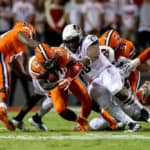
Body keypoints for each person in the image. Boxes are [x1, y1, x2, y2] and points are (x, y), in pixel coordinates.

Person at [62, 24, 142, 132]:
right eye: (68, 41)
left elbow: (135, 71)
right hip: (98, 84)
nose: (71, 44)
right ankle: (126, 122)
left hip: (112, 81)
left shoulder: (119, 58)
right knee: (98, 119)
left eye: (73, 40)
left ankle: (136, 116)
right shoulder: (66, 50)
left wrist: (135, 90)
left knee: (128, 106)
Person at [11, 42, 92, 132]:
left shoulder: (60, 53)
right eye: (46, 63)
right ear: (39, 62)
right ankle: (32, 118)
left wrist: (76, 68)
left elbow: (74, 63)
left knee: (40, 96)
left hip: (57, 73)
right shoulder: (36, 67)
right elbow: (44, 85)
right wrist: (58, 83)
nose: (50, 65)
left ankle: (23, 119)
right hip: (43, 78)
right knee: (42, 95)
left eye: (51, 61)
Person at [0, 21, 39, 130]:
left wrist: (37, 79)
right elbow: (21, 35)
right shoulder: (24, 32)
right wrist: (41, 46)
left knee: (6, 79)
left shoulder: (15, 46)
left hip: (3, 53)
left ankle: (2, 108)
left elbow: (22, 73)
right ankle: (2, 109)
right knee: (5, 82)